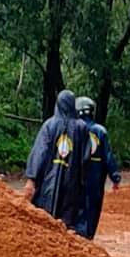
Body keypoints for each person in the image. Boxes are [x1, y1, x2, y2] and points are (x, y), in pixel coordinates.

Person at [24, 89, 89, 232]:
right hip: (72, 184)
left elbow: (40, 152)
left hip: (48, 183)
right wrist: (83, 181)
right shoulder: (81, 128)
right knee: (66, 224)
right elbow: (85, 159)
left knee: (45, 220)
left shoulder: (49, 125)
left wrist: (32, 178)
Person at [75, 96, 121, 239]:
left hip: (76, 177)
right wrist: (115, 177)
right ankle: (88, 237)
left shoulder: (74, 129)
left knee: (76, 207)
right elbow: (108, 156)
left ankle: (76, 235)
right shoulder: (100, 131)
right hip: (95, 178)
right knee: (93, 209)